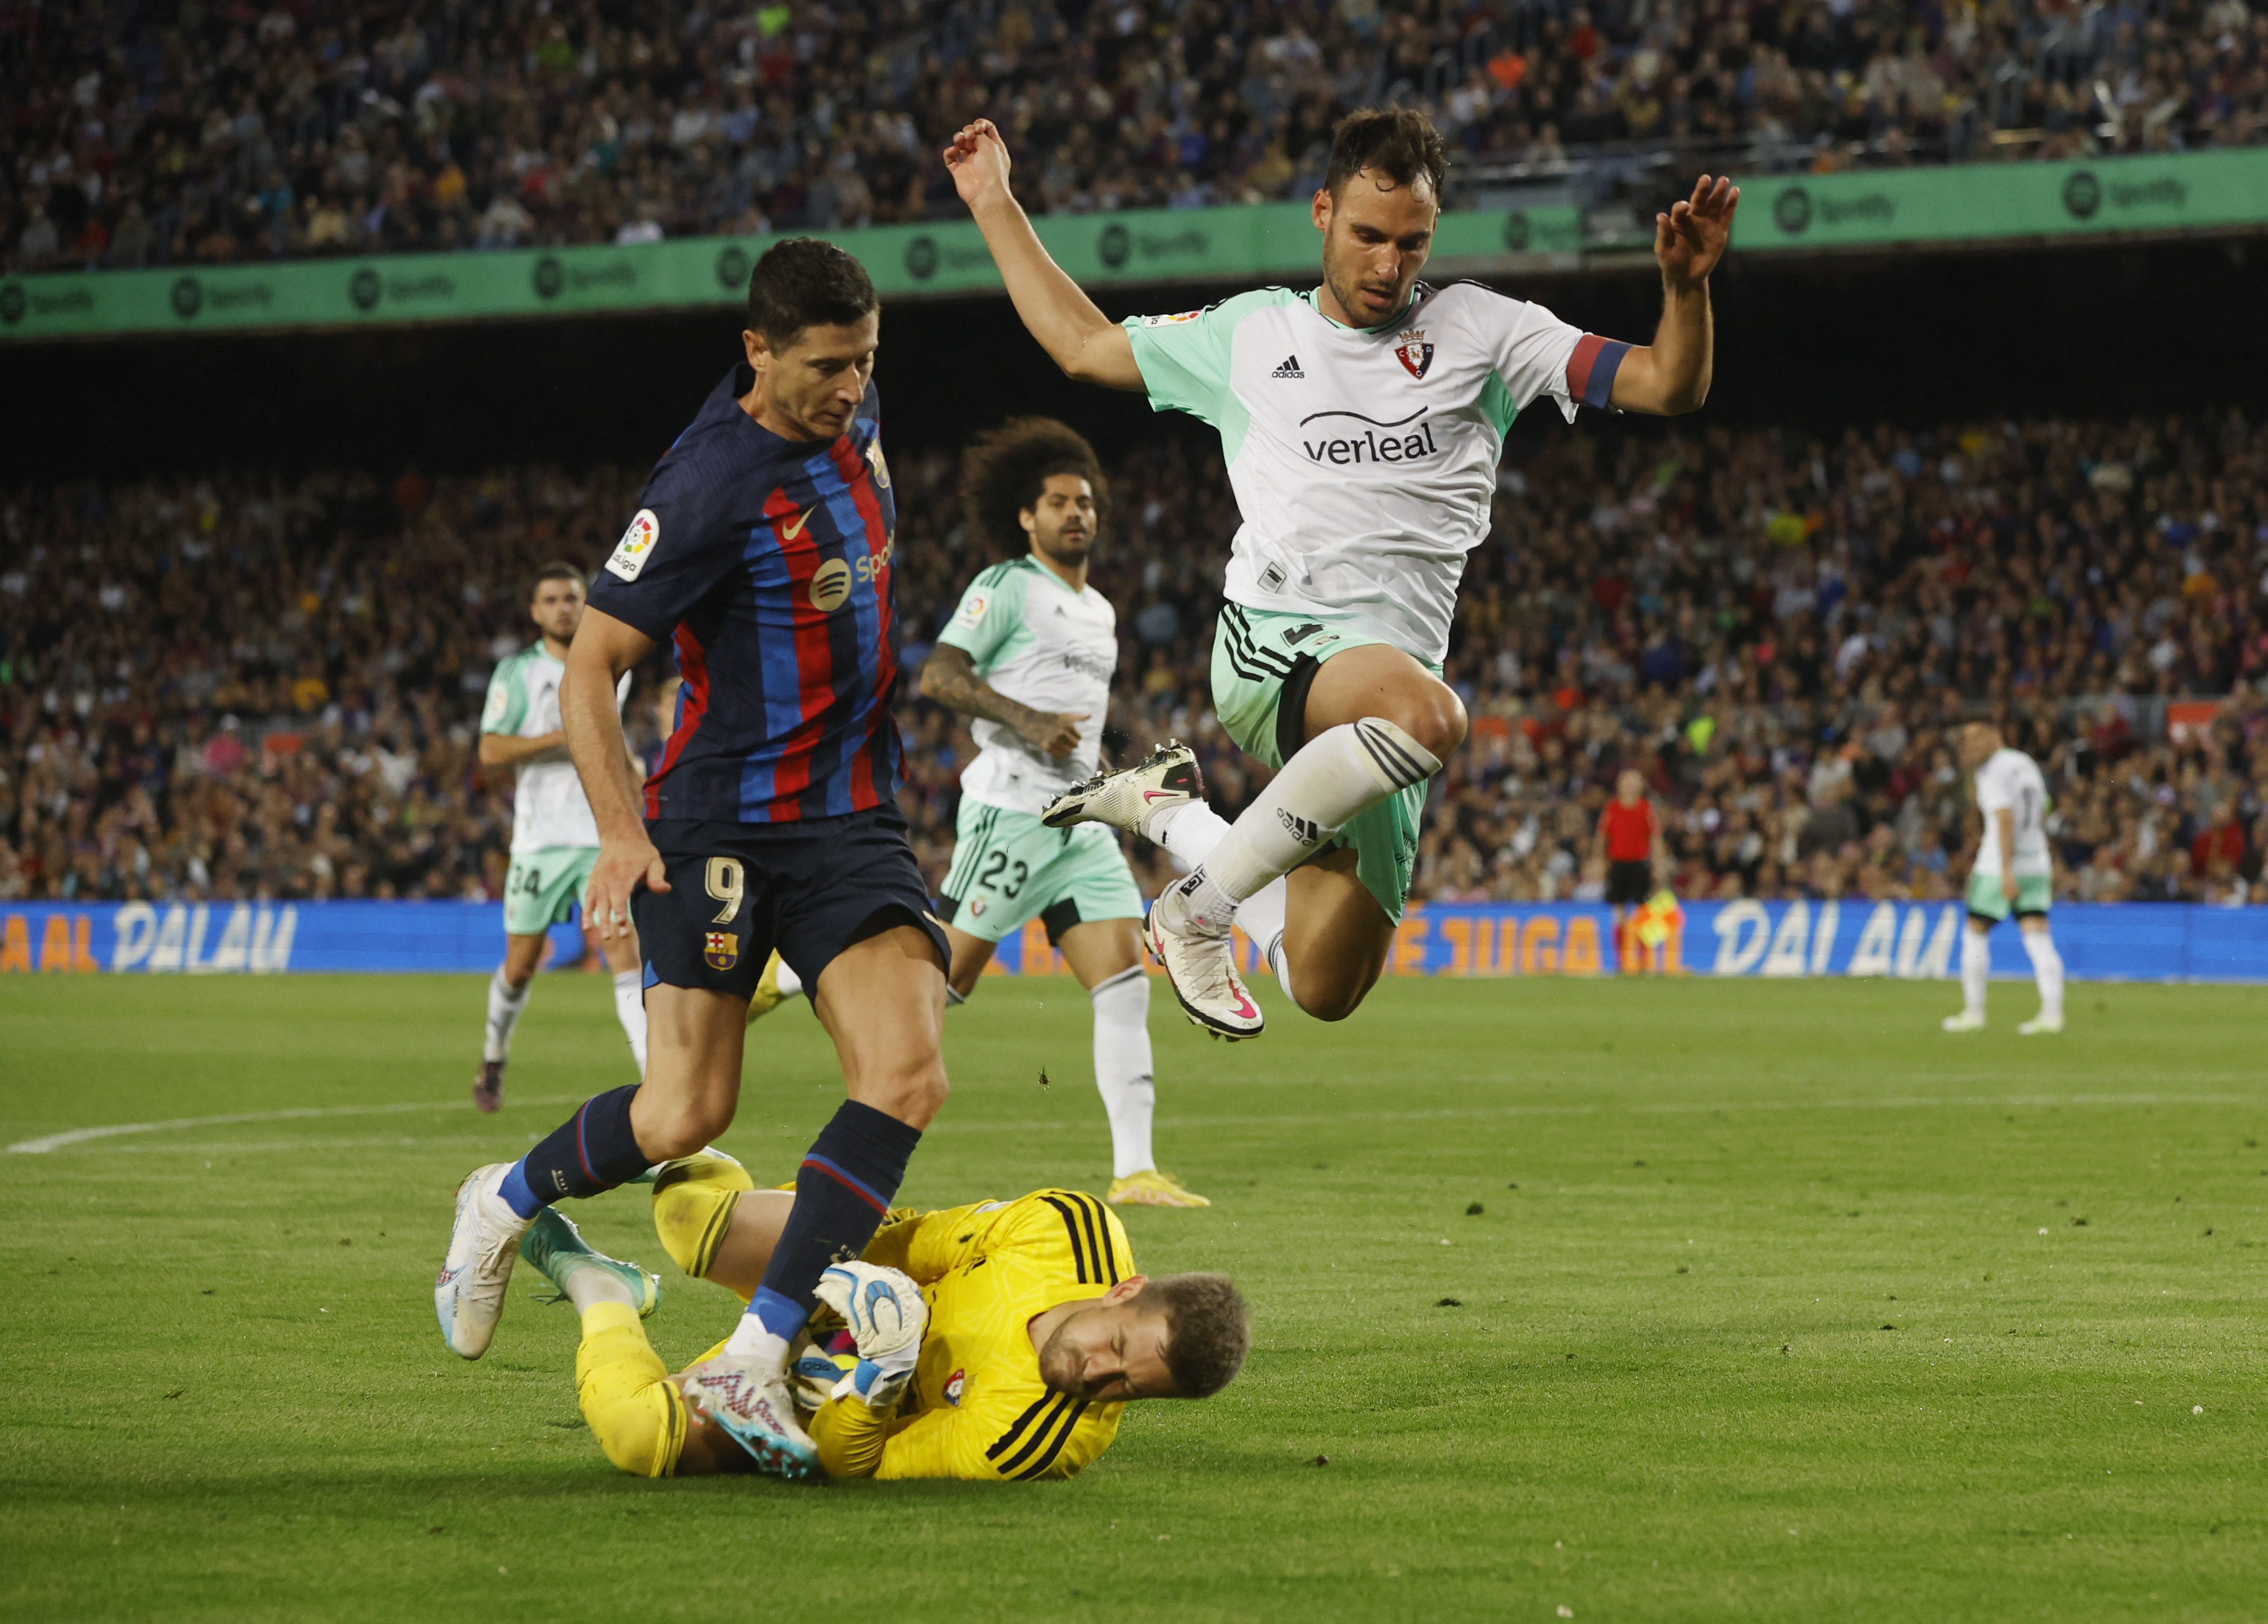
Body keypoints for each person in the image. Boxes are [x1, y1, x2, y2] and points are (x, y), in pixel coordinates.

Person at [946, 107, 1735, 1039]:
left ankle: (1172, 817)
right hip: (1276, 642)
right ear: (1322, 213)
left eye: (1412, 242)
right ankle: (1192, 914)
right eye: (1367, 235)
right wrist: (994, 200)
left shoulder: (1487, 331)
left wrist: (1684, 290)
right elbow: (1082, 346)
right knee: (1432, 718)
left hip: (1388, 693)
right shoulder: (1249, 336)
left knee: (1324, 986)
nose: (1388, 265)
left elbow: (1666, 385)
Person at [435, 238, 952, 1486]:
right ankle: (498, 1200)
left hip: (850, 817)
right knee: (685, 1113)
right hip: (718, 817)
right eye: (825, 367)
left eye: (864, 362)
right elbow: (587, 668)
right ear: (757, 353)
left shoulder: (857, 406)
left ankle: (754, 1351)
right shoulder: (711, 481)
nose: (848, 389)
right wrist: (623, 832)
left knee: (907, 1071)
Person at [520, 1150, 1249, 1479]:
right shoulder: (1067, 1229)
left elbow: (851, 1466)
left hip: (833, 1393)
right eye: (1115, 1343)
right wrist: (844, 1284)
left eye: (1127, 1386)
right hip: (860, 1276)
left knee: (639, 1436)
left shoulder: (1032, 1439)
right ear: (1125, 1289)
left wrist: (880, 1370)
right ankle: (674, 1141)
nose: (1097, 1373)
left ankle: (599, 1284)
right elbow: (913, 1238)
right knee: (690, 1224)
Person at [917, 418, 1206, 1208]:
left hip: (1077, 826)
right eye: (1057, 502)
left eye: (1085, 502)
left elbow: (1073, 735)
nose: (1075, 513)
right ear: (1026, 516)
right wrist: (1025, 720)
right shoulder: (1006, 585)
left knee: (1122, 978)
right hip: (1011, 814)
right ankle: (807, 971)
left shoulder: (1101, 611)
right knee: (939, 982)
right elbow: (939, 676)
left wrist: (1121, 787)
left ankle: (1135, 1171)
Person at [473, 564, 646, 1112]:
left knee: (628, 957)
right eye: (551, 600)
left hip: (601, 834)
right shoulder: (518, 673)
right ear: (535, 612)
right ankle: (494, 1054)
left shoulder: (612, 662)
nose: (564, 608)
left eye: (572, 598)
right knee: (521, 966)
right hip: (539, 842)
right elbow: (492, 751)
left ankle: (659, 1081)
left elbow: (614, 744)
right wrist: (564, 733)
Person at [1943, 721, 2064, 1034]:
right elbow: (2046, 807)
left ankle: (1974, 1013)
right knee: (2037, 936)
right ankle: (2052, 1015)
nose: (1968, 747)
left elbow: (2005, 818)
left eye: (1973, 740)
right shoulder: (2026, 764)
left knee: (1975, 932)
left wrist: (2007, 869)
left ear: (1994, 736)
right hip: (2037, 861)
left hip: (1999, 866)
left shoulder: (1992, 772)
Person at [1598, 768, 1665, 972]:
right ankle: (1621, 960)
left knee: (1642, 913)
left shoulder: (1646, 809)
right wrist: (1601, 862)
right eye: (1626, 781)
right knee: (1619, 913)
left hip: (1639, 865)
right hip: (1618, 865)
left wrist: (1658, 863)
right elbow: (1602, 838)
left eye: (1634, 781)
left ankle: (1643, 960)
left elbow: (1655, 837)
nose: (1630, 785)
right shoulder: (1612, 809)